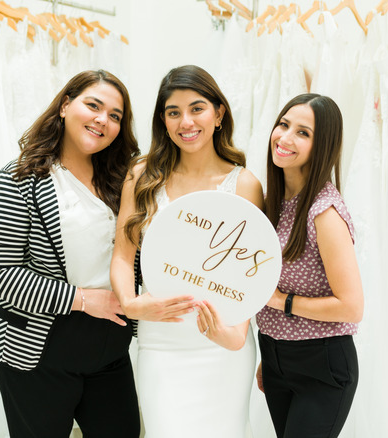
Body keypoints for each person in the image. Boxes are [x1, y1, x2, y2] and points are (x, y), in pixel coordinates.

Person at [0, 70, 141, 438]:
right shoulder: (20, 177)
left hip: (110, 347)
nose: (103, 120)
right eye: (93, 106)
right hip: (35, 350)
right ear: (65, 106)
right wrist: (82, 300)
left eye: (115, 116)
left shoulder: (122, 181)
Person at [110, 65, 264, 438]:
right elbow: (122, 254)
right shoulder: (142, 174)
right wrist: (130, 303)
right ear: (163, 121)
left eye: (197, 108)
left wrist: (236, 335)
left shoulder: (244, 184)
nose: (185, 122)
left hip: (223, 346)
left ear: (218, 114)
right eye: (173, 112)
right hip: (161, 342)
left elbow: (249, 275)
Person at [255, 93, 364, 438]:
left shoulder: (324, 212)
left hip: (322, 365)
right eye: (284, 125)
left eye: (303, 132)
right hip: (276, 359)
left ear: (322, 146)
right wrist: (271, 358)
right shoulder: (273, 204)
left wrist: (279, 301)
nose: (285, 137)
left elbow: (351, 307)